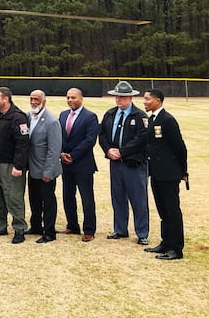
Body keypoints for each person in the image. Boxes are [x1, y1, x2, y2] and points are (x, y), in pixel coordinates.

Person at [98, 80, 150, 245]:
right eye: (116, 96)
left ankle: (142, 233)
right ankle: (120, 229)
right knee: (118, 198)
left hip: (133, 164)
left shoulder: (140, 116)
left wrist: (122, 151)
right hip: (116, 164)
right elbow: (102, 135)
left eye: (122, 97)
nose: (118, 100)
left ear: (130, 98)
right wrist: (108, 150)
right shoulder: (110, 114)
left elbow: (141, 138)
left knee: (138, 199)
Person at [143, 88, 188, 260]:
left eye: (148, 99)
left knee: (172, 211)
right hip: (156, 173)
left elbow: (180, 147)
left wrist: (183, 171)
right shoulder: (153, 118)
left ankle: (175, 248)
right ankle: (166, 242)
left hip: (169, 174)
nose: (145, 102)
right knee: (163, 210)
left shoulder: (168, 120)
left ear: (158, 101)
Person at [0, 86, 30, 244]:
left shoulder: (18, 117)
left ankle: (19, 229)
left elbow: (23, 144)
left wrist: (18, 166)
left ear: (6, 99)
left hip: (11, 165)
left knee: (14, 197)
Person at [58, 87, 100, 242]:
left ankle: (89, 229)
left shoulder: (90, 117)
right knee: (68, 196)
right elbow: (59, 136)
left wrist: (73, 155)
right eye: (68, 97)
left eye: (73, 97)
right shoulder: (62, 115)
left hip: (83, 164)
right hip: (65, 164)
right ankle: (72, 225)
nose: (70, 100)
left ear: (81, 98)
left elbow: (90, 140)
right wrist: (61, 153)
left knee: (86, 198)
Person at [26, 89, 63, 243]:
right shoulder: (28, 116)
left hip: (46, 170)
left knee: (48, 201)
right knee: (34, 199)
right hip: (32, 169)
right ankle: (35, 226)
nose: (34, 102)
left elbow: (54, 150)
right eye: (32, 99)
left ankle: (49, 232)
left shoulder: (52, 121)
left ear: (44, 102)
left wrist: (48, 172)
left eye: (37, 99)